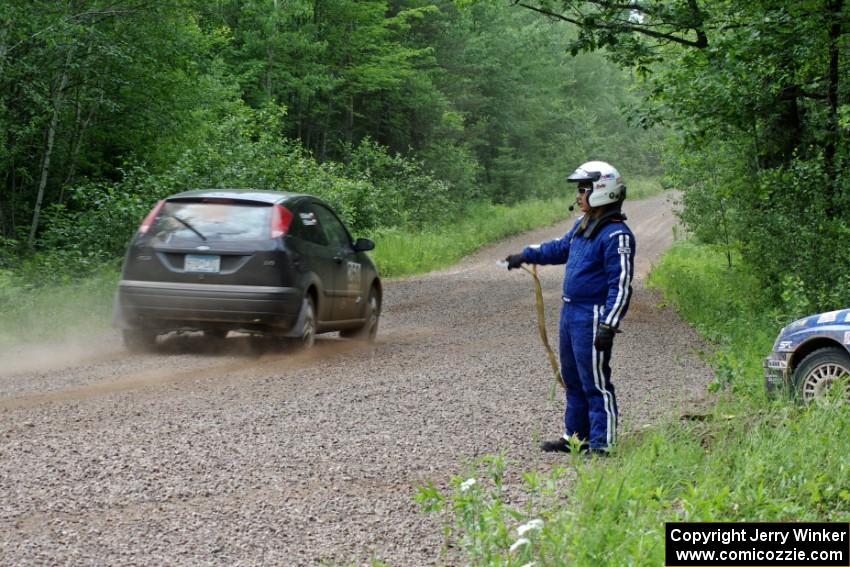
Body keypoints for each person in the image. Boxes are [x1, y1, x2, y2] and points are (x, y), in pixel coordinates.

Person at [505, 161, 635, 455]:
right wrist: (525, 255)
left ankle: (603, 445)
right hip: (570, 313)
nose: (578, 196)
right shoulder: (583, 224)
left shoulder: (617, 235)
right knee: (573, 379)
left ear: (601, 191)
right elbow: (559, 248)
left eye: (583, 189)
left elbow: (622, 283)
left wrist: (608, 324)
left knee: (595, 383)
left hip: (592, 315)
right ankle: (576, 438)